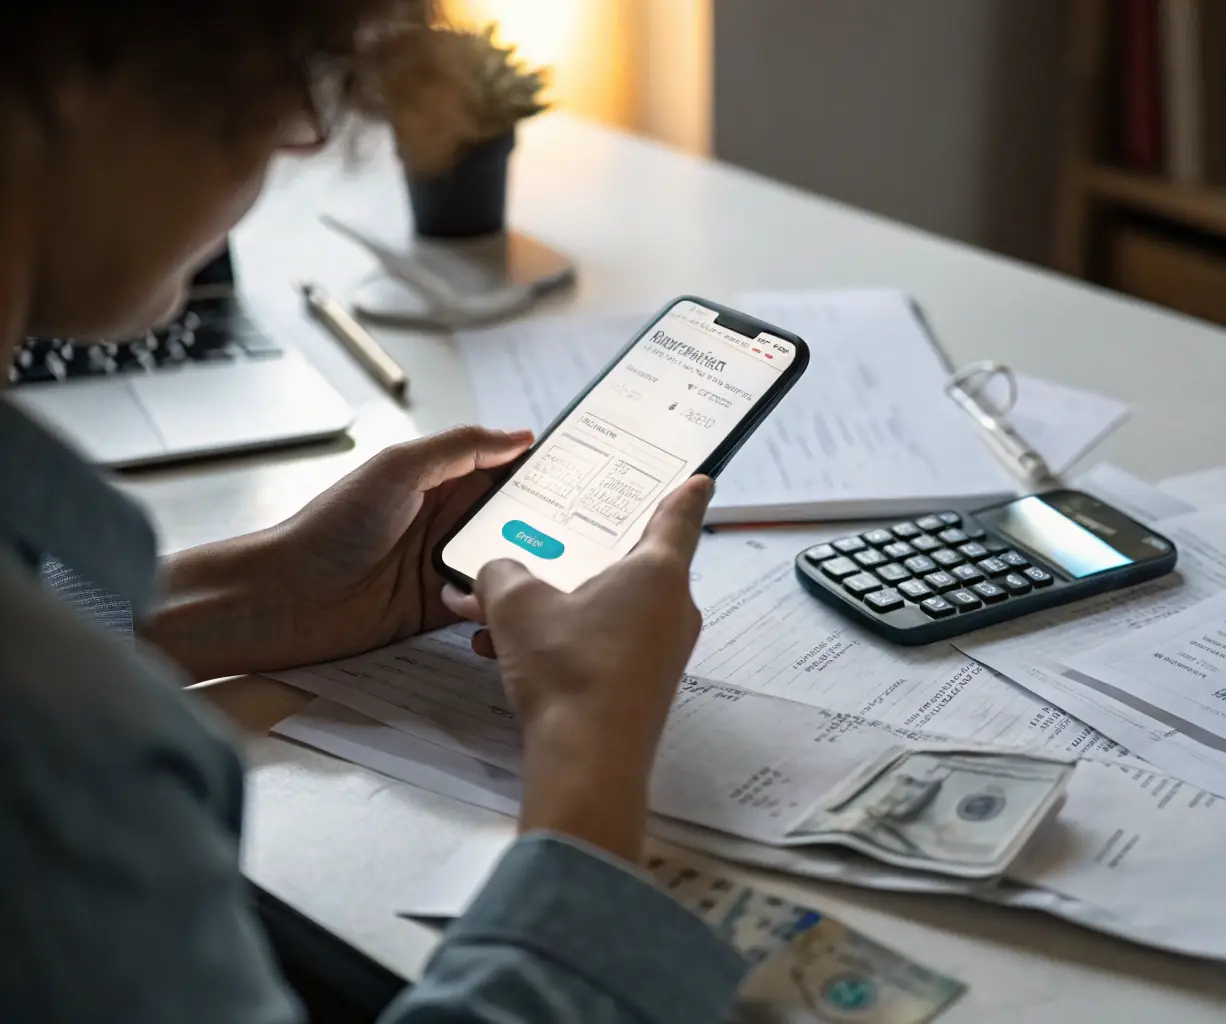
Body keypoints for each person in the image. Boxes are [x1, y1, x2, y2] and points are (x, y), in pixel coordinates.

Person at [0, 2, 746, 1021]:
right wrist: (588, 751)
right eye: (273, 73)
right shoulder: (59, 758)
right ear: (74, 72)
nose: (302, 131)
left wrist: (244, 599)